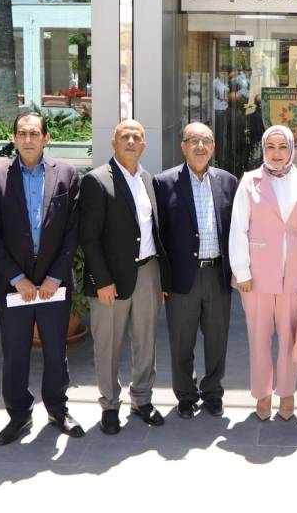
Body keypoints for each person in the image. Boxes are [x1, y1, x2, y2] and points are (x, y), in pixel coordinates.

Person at [0, 111, 84, 444]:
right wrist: (16, 277)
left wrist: (55, 276)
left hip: (55, 283)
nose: (28, 139)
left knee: (56, 350)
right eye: (22, 133)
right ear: (14, 138)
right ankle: (18, 415)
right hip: (15, 283)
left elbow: (73, 230)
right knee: (15, 352)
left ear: (46, 138)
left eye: (34, 133)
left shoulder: (66, 174)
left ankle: (57, 409)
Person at [79, 120, 170, 435]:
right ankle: (109, 405)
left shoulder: (147, 179)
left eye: (136, 136)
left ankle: (142, 399)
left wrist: (161, 279)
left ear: (144, 144)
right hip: (111, 279)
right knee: (108, 344)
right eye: (124, 136)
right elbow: (89, 237)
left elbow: (153, 230)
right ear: (113, 142)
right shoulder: (97, 180)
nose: (131, 141)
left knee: (146, 341)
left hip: (148, 272)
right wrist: (102, 280)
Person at [229, 125, 297, 421]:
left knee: (289, 337)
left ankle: (286, 392)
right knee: (258, 338)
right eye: (271, 147)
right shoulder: (250, 181)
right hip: (257, 274)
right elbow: (238, 227)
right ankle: (262, 393)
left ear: (292, 149)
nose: (277, 153)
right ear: (263, 149)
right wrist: (241, 271)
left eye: (283, 147)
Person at [153, 122, 239, 419]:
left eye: (206, 140)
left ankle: (213, 392)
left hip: (217, 274)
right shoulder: (164, 183)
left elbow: (237, 229)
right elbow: (158, 234)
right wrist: (162, 279)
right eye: (193, 140)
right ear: (183, 146)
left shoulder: (228, 181)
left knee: (217, 340)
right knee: (181, 341)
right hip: (182, 277)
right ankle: (186, 395)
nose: (200, 146)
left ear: (213, 146)